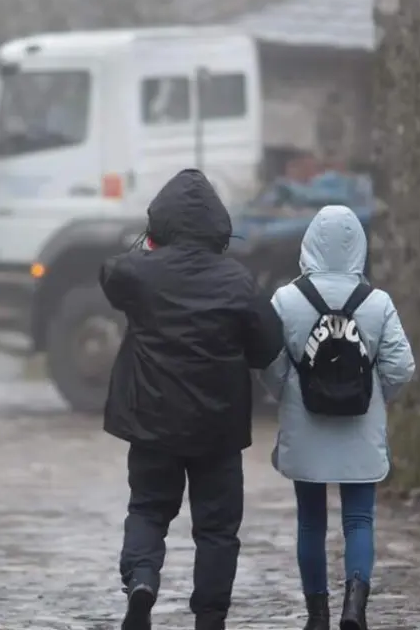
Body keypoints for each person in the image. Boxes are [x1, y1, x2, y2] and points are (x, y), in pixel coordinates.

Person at [101, 169, 285, 630]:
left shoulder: (138, 274)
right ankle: (209, 617)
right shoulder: (239, 281)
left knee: (147, 509)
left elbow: (110, 273)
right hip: (217, 429)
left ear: (159, 223)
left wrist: (146, 248)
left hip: (152, 422)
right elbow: (267, 346)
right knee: (217, 529)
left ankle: (143, 580)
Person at [260, 205, 416, 630]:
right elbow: (402, 368)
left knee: (310, 521)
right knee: (359, 519)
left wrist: (286, 394)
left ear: (309, 242)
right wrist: (375, 397)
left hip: (305, 425)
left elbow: (269, 363)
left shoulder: (286, 300)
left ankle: (317, 615)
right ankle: (355, 607)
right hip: (359, 428)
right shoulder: (377, 303)